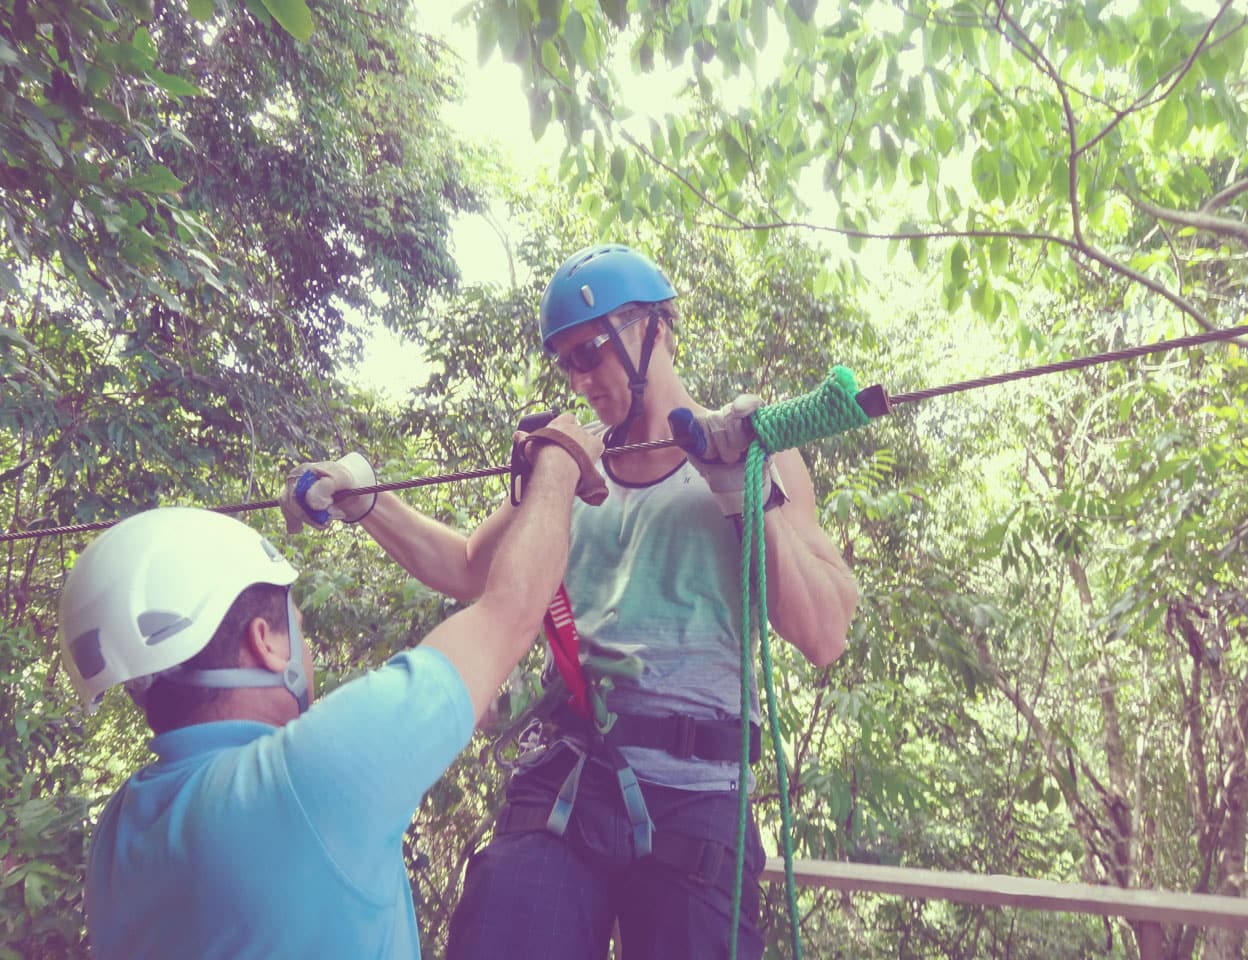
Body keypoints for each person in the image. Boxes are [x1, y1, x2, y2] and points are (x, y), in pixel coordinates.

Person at [296, 243, 859, 959]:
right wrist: (365, 502)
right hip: (569, 775)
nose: (579, 377)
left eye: (591, 352)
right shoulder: (570, 462)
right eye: (564, 361)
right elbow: (470, 566)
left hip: (698, 794)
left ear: (655, 327)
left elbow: (824, 633)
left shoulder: (760, 454)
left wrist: (745, 492)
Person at [57, 414, 603, 960]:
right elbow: (509, 611)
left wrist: (368, 502)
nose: (308, 643)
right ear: (265, 641)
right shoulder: (306, 779)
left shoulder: (122, 827)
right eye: (299, 621)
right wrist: (558, 464)